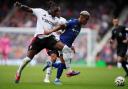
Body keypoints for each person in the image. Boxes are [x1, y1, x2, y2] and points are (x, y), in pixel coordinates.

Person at [14, 1, 65, 83]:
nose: (59, 13)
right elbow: (28, 9)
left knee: (58, 53)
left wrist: (61, 30)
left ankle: (47, 77)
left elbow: (63, 27)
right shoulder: (40, 12)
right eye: (57, 11)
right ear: (52, 10)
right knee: (28, 59)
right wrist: (20, 6)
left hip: (49, 40)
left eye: (59, 11)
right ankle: (18, 72)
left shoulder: (57, 20)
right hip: (38, 39)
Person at [43, 10, 90, 84]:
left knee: (64, 64)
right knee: (63, 63)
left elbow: (71, 36)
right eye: (86, 19)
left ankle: (51, 65)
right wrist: (51, 31)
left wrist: (72, 45)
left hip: (67, 45)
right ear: (82, 17)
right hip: (62, 44)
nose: (87, 21)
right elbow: (62, 26)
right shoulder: (73, 22)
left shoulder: (79, 26)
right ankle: (58, 79)